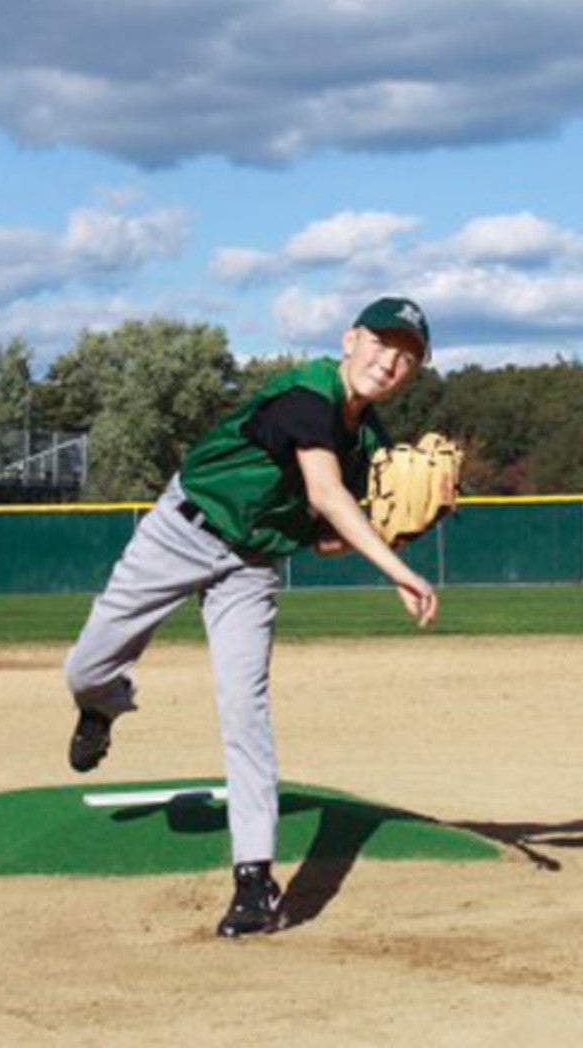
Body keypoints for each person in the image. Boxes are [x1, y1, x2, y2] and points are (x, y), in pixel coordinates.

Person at [62, 296, 437, 938]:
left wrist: (395, 534)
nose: (390, 362)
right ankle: (102, 704)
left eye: (407, 356)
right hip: (180, 531)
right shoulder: (304, 395)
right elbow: (324, 492)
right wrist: (396, 569)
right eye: (382, 343)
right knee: (85, 667)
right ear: (350, 340)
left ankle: (255, 881)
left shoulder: (366, 442)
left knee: (246, 709)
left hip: (252, 565)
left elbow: (320, 533)